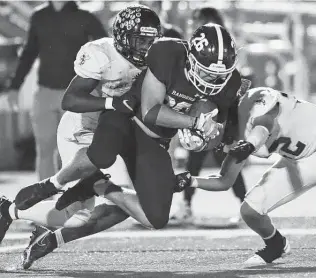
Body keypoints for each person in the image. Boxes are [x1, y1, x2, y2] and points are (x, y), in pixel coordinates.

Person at [4, 22, 242, 268]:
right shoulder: (166, 53)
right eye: (206, 71)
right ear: (190, 58)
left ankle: (97, 188)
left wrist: (205, 137)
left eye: (221, 75)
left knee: (155, 218)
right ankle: (52, 185)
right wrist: (193, 122)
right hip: (126, 119)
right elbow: (150, 112)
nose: (213, 80)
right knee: (101, 157)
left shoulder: (231, 83)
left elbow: (216, 133)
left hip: (155, 140)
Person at [0, 3, 162, 265]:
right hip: (82, 130)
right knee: (125, 203)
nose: (145, 47)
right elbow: (71, 100)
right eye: (140, 40)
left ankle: (22, 219)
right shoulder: (102, 53)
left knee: (93, 214)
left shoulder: (156, 59)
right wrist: (111, 103)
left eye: (150, 41)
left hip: (113, 136)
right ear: (123, 37)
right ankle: (43, 195)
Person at [175, 86, 316, 265]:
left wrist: (250, 144)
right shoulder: (232, 138)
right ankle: (276, 244)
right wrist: (190, 181)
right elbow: (224, 180)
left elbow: (264, 124)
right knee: (250, 210)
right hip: (298, 160)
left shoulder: (253, 99)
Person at [4, 1, 107, 180]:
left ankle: (79, 200)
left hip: (78, 96)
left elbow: (106, 51)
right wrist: (14, 87)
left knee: (76, 149)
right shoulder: (39, 17)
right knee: (45, 149)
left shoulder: (85, 17)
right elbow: (29, 53)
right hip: (45, 93)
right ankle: (45, 199)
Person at [170, 6, 247, 226]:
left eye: (197, 21)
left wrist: (225, 127)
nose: (193, 26)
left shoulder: (219, 50)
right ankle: (186, 206)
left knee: (227, 160)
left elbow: (230, 88)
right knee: (195, 160)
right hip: (203, 112)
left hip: (221, 112)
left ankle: (248, 205)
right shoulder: (199, 46)